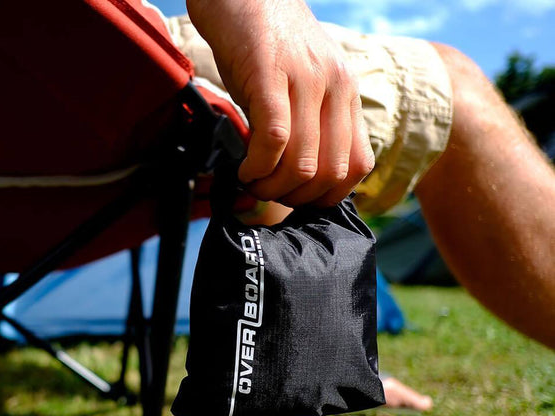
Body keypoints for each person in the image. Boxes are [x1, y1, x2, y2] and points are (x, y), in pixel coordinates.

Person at [167, 0, 555, 351]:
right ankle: (317, 361)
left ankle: (313, 364)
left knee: (291, 150)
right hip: (147, 62)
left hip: (138, 123)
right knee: (452, 84)